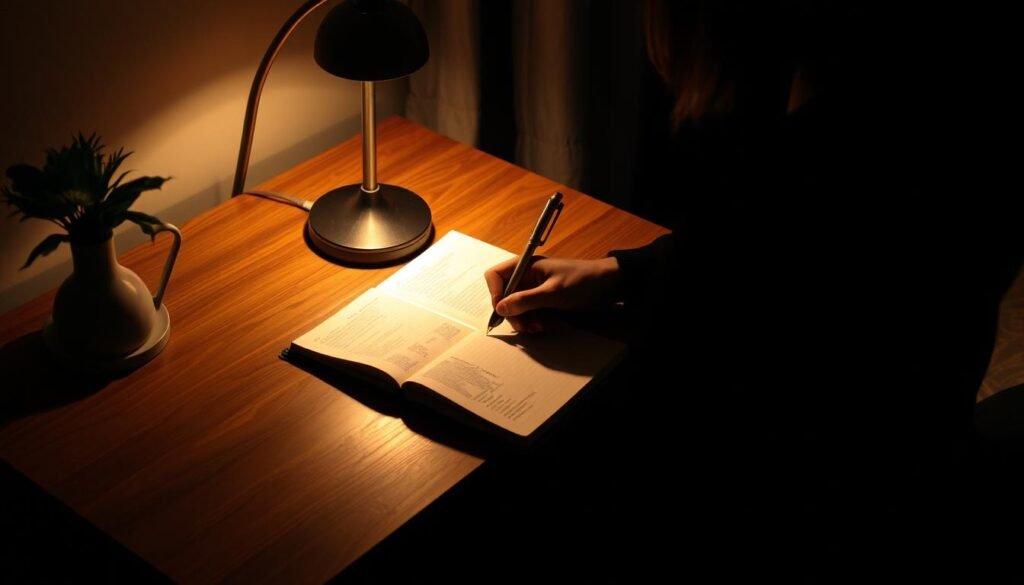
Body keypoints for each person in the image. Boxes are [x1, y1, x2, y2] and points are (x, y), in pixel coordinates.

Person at [484, 1, 1023, 577]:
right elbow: (774, 259)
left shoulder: (796, 177)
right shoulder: (938, 109)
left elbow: (688, 416)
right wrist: (620, 274)